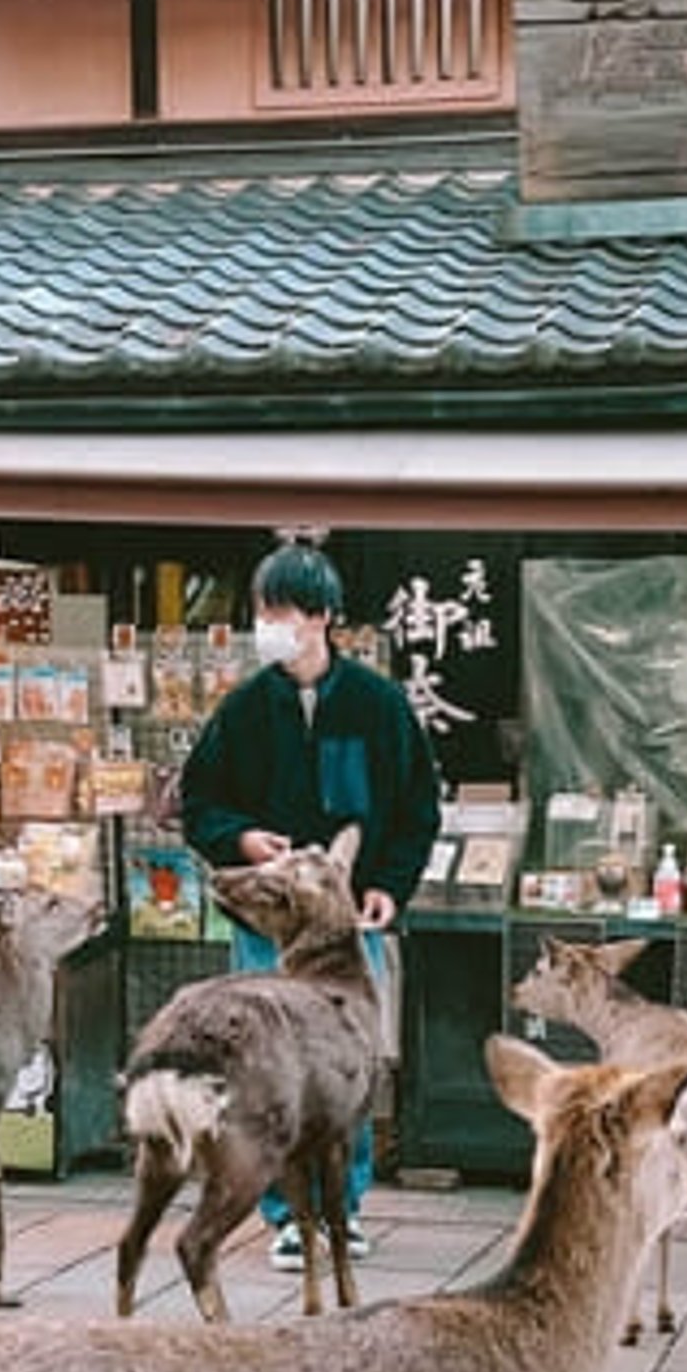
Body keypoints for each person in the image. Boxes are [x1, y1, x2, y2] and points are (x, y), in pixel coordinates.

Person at [179, 541, 444, 1269]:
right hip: (266, 926)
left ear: (323, 616)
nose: (267, 623)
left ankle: (341, 1207)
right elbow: (198, 802)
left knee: (345, 1067)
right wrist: (243, 839)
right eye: (262, 609)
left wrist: (389, 883)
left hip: (349, 930)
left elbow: (417, 808)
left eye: (281, 610)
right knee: (268, 1068)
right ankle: (283, 1213)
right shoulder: (244, 708)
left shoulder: (378, 705)